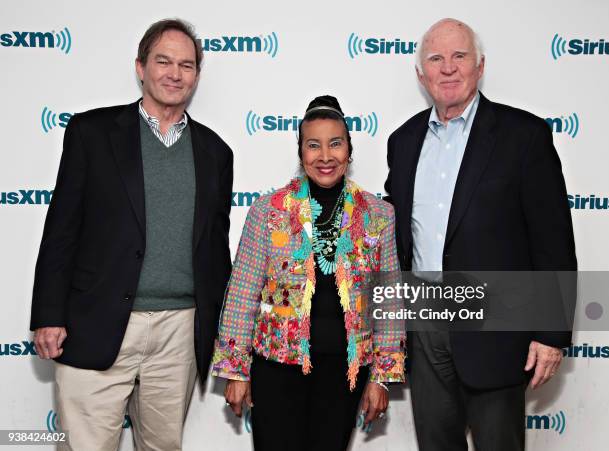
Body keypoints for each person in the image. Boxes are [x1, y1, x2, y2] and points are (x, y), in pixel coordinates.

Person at [29, 18, 233, 451]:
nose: (175, 73)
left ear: (197, 75)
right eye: (163, 61)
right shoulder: (92, 133)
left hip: (180, 329)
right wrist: (49, 312)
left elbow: (214, 247)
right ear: (140, 67)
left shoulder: (216, 152)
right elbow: (62, 228)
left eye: (187, 65)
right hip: (96, 319)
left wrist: (222, 328)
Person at [385, 18, 576, 451]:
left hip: (496, 330)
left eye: (459, 56)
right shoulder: (404, 140)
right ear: (421, 74)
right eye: (436, 59)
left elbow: (553, 241)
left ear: (480, 66)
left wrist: (551, 331)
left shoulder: (523, 136)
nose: (448, 68)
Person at [212, 95, 405, 451]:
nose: (325, 156)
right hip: (276, 368)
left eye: (335, 143)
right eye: (313, 145)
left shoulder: (378, 215)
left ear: (350, 149)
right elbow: (242, 292)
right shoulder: (268, 211)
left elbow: (389, 301)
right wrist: (236, 370)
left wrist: (382, 376)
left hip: (343, 374)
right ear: (301, 152)